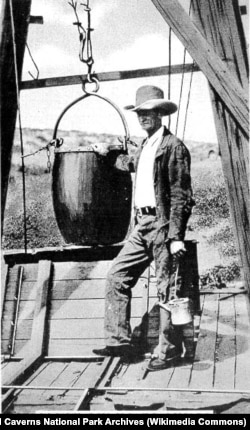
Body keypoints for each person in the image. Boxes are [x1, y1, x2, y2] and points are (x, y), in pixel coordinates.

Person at [91, 85, 195, 371]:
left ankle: (168, 352)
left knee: (167, 290)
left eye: (149, 112)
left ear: (161, 113)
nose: (144, 117)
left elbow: (180, 195)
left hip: (162, 225)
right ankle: (119, 341)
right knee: (116, 276)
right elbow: (129, 164)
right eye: (140, 113)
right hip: (142, 225)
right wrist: (108, 155)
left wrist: (175, 236)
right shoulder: (146, 144)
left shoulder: (173, 147)